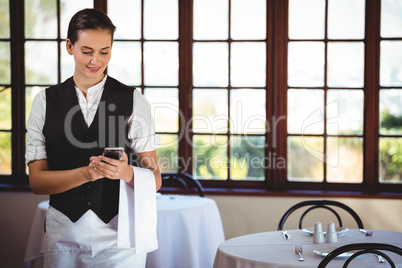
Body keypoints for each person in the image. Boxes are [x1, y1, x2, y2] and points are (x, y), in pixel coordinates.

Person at [25, 8, 161, 267]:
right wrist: (86, 174)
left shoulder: (134, 101)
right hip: (63, 234)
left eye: (104, 52)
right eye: (86, 51)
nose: (95, 61)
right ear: (69, 46)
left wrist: (125, 173)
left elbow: (154, 179)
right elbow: (37, 182)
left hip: (119, 237)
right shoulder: (44, 102)